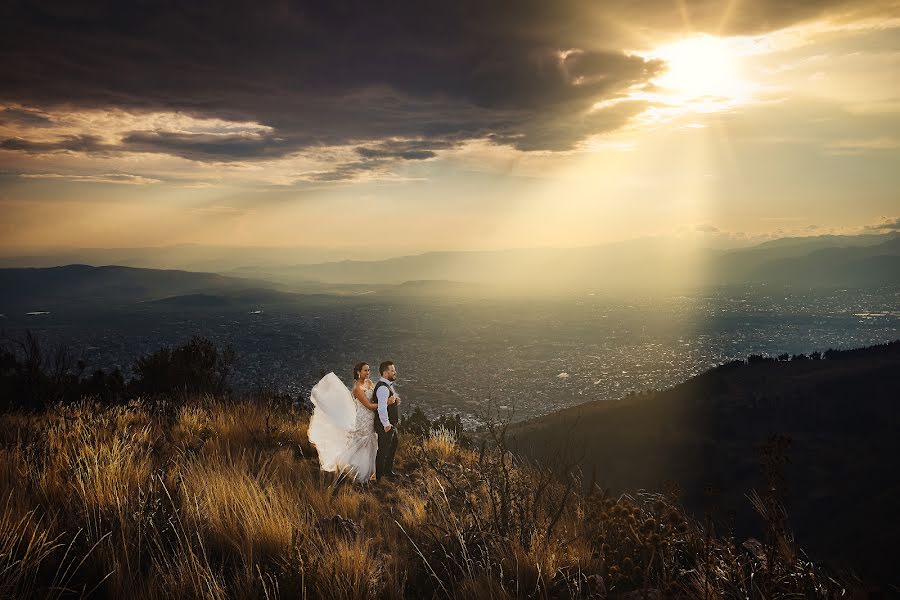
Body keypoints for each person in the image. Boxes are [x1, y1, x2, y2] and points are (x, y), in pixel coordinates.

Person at [307, 362, 394, 483]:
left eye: (368, 370)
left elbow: (375, 397)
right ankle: (357, 472)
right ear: (358, 372)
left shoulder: (369, 383)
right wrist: (386, 403)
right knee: (362, 442)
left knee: (370, 442)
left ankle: (369, 473)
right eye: (365, 370)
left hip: (372, 417)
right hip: (363, 418)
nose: (368, 373)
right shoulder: (357, 388)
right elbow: (368, 405)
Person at [373, 360, 402, 481]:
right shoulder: (383, 388)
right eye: (392, 370)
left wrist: (395, 400)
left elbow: (388, 401)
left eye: (394, 370)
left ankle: (387, 471)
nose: (395, 372)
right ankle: (379, 478)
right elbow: (381, 407)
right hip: (386, 425)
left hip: (391, 424)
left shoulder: (387, 385)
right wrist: (386, 424)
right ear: (385, 373)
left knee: (393, 445)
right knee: (383, 450)